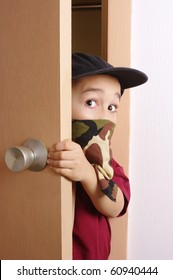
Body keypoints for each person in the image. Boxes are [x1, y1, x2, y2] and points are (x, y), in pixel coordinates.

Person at [47, 53, 148, 260]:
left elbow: (117, 206)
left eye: (112, 107)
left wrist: (87, 173)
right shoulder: (48, 154)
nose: (104, 116)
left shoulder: (108, 165)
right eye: (91, 102)